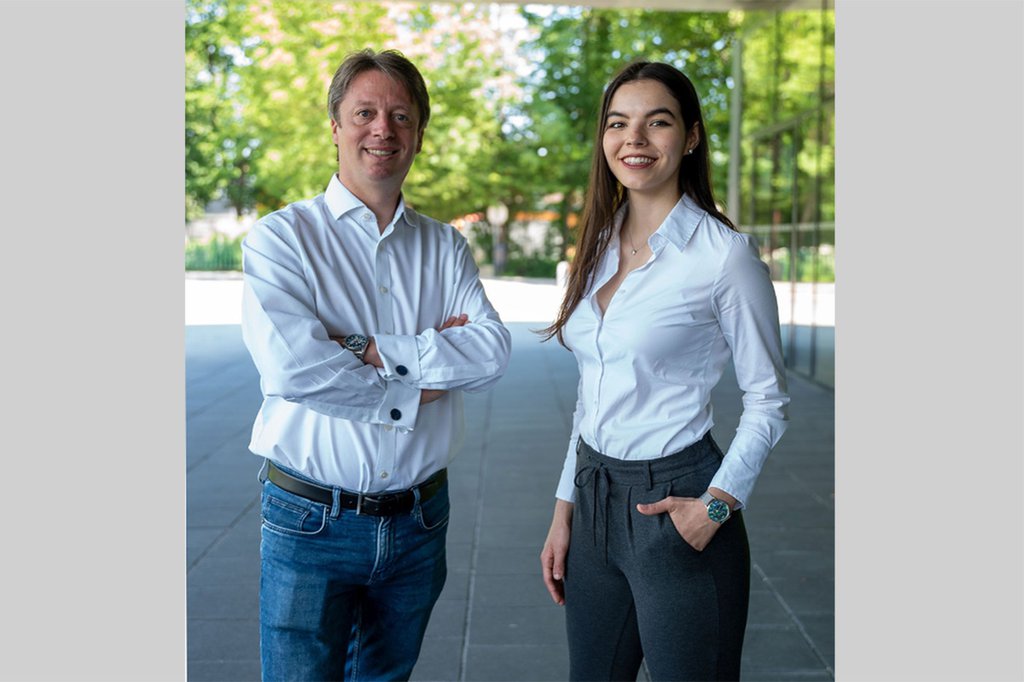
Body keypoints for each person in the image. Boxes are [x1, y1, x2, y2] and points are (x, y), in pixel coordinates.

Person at [240, 48, 511, 681]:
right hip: (310, 521)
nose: (382, 129)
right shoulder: (282, 240)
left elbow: (492, 351)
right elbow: (294, 371)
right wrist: (422, 380)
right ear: (335, 126)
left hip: (419, 521)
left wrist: (361, 346)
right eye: (364, 112)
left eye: (400, 115)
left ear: (418, 133)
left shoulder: (445, 247)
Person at [539, 61, 790, 682]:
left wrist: (718, 506)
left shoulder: (724, 257)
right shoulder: (597, 245)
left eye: (658, 122)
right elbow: (591, 393)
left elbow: (768, 400)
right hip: (595, 497)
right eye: (619, 123)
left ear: (692, 136)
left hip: (679, 501)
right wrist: (564, 508)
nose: (635, 140)